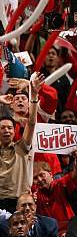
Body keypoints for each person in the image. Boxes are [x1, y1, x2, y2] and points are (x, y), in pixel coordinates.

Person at [0, 73, 44, 213]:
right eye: (2, 128)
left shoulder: (22, 147)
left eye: (9, 128)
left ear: (14, 131)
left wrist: (34, 95)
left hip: (20, 203)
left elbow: (31, 123)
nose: (6, 131)